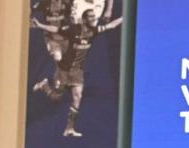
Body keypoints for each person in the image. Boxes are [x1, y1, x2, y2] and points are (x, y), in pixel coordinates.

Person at [30, 7, 122, 137]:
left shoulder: (94, 31)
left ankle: (69, 128)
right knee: (57, 98)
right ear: (84, 20)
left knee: (77, 97)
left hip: (77, 72)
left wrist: (125, 18)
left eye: (94, 16)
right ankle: (44, 85)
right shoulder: (73, 30)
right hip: (63, 70)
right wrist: (40, 25)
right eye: (90, 16)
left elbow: (111, 25)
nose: (94, 18)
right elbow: (56, 29)